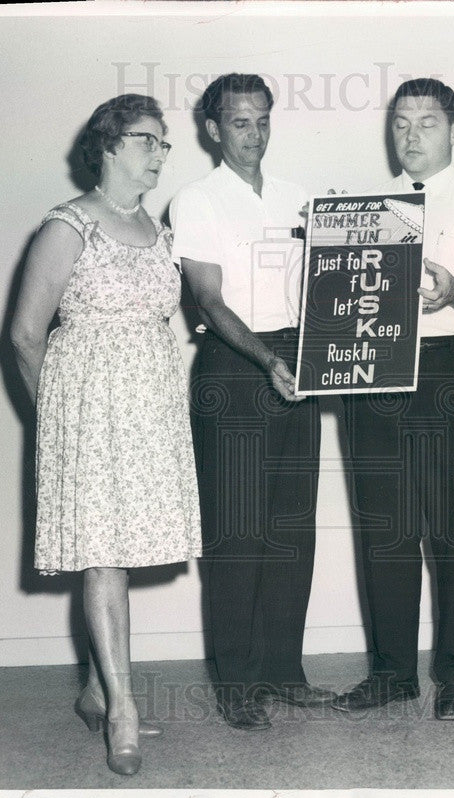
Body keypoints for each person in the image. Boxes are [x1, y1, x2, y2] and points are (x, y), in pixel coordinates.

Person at [11, 94, 201, 775]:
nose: (158, 153)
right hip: (88, 414)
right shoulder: (68, 227)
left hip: (149, 411)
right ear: (110, 147)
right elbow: (27, 336)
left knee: (123, 548)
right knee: (103, 558)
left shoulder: (154, 227)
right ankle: (123, 708)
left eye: (162, 143)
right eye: (147, 140)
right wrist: (62, 417)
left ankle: (95, 687)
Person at [331, 79, 454, 721]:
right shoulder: (362, 208)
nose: (412, 136)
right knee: (384, 531)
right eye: (402, 123)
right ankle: (391, 674)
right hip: (376, 376)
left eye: (428, 123)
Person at [170, 73, 333, 732]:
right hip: (236, 370)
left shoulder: (299, 197)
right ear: (213, 128)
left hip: (297, 363)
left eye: (263, 120)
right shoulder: (196, 199)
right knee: (237, 533)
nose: (254, 134)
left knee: (292, 529)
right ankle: (237, 681)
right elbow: (208, 299)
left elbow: (326, 288)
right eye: (240, 122)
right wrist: (268, 361)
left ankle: (283, 672)